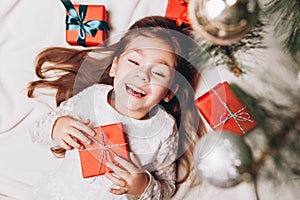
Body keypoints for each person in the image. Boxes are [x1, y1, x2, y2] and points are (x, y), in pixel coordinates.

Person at [27, 16, 206, 200]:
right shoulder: (92, 98)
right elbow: (37, 131)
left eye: (159, 72)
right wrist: (57, 126)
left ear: (169, 92)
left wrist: (142, 185)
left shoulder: (165, 129)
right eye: (134, 62)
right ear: (114, 67)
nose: (142, 75)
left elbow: (166, 187)